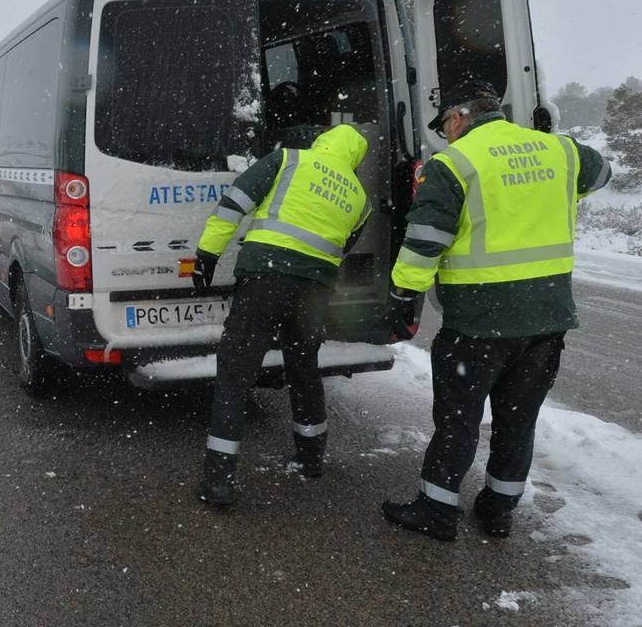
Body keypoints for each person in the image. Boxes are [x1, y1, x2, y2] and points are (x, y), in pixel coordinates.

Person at [381, 86, 611, 541]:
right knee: (517, 419)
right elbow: (603, 173)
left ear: (459, 118)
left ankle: (438, 511)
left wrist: (402, 291)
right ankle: (499, 508)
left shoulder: (454, 163)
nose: (446, 135)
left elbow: (426, 237)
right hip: (547, 320)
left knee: (458, 420)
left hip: (478, 324)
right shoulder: (560, 151)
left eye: (445, 125)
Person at [193, 124, 372, 507]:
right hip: (314, 289)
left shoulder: (289, 159)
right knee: (304, 368)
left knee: (236, 372)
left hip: (266, 275)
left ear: (322, 142)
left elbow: (234, 202)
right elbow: (342, 246)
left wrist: (208, 253)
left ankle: (219, 479)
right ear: (355, 158)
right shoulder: (360, 197)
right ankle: (311, 459)